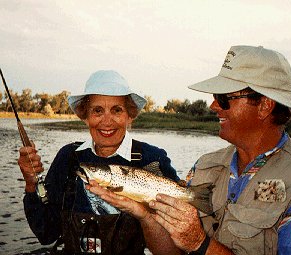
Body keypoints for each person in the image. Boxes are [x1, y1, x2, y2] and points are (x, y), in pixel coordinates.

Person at [87, 46, 291, 255]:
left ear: (264, 106)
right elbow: (170, 251)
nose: (213, 105)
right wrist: (146, 216)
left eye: (223, 98)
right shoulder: (205, 166)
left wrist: (201, 244)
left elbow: (195, 244)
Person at [18, 70, 180, 255]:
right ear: (85, 116)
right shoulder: (68, 157)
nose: (107, 121)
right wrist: (31, 183)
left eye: (116, 110)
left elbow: (173, 250)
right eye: (97, 111)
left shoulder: (152, 158)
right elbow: (46, 233)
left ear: (130, 115)